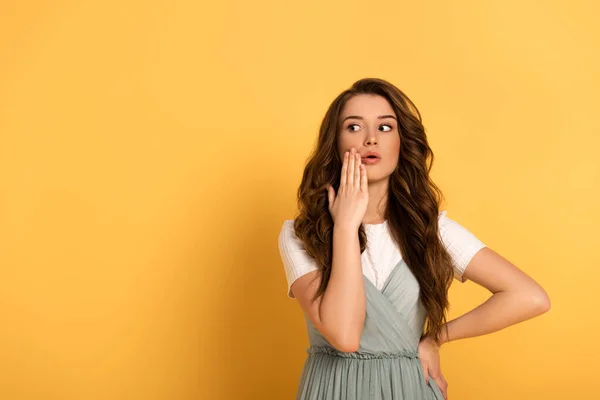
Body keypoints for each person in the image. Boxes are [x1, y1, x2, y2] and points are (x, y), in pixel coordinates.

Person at [277, 77, 551, 399]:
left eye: (384, 127)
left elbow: (530, 297)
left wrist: (436, 338)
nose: (370, 140)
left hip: (411, 388)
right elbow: (345, 335)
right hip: (333, 389)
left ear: (401, 142)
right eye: (354, 127)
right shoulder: (300, 234)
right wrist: (346, 226)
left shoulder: (431, 230)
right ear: (334, 144)